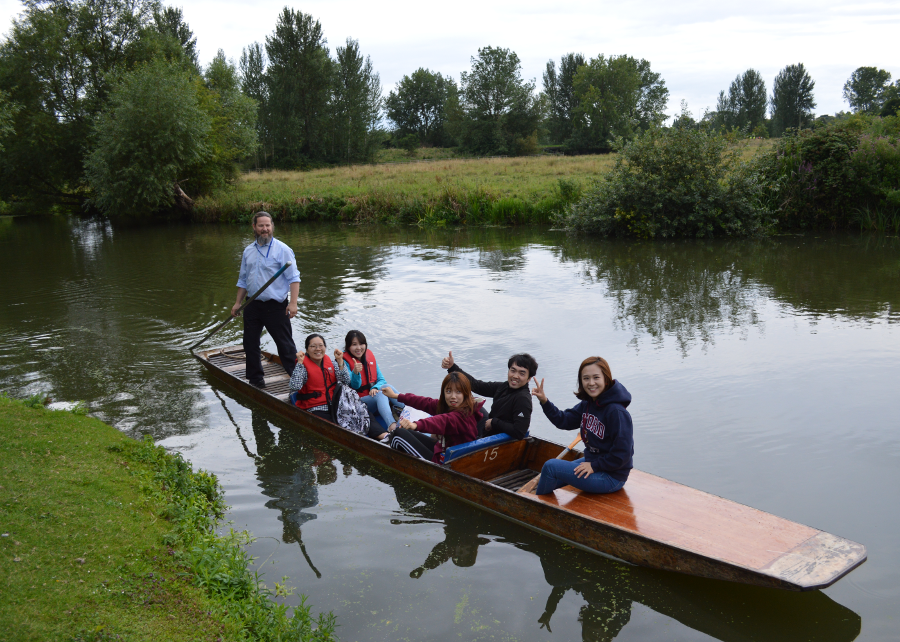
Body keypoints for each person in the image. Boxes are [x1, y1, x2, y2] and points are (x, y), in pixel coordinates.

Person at [530, 357, 633, 496]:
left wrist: (594, 466)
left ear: (606, 379)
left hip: (611, 476)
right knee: (550, 474)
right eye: (586, 378)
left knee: (550, 467)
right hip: (594, 461)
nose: (591, 383)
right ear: (581, 381)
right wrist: (544, 401)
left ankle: (535, 509)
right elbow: (564, 420)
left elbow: (623, 454)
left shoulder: (616, 412)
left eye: (596, 377)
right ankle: (541, 502)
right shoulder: (588, 403)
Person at [231, 211, 301, 388]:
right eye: (261, 225)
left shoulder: (283, 250)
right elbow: (243, 280)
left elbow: (294, 278)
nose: (265, 229)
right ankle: (256, 381)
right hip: (252, 305)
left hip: (276, 306)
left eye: (268, 225)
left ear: (272, 227)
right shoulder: (248, 251)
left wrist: (293, 303)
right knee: (250, 343)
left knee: (285, 346)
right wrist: (238, 303)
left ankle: (299, 382)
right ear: (254, 227)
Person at [381, 372, 483, 463]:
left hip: (449, 464)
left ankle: (393, 465)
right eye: (448, 391)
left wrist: (415, 425)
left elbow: (440, 421)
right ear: (443, 392)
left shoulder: (462, 416)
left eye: (458, 392)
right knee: (403, 432)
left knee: (398, 435)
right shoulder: (450, 406)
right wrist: (397, 396)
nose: (453, 396)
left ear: (466, 394)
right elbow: (426, 402)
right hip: (443, 451)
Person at [441, 350, 536, 439]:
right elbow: (476, 385)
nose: (515, 376)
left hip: (493, 440)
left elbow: (520, 432)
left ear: (529, 378)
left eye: (522, 373)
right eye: (513, 370)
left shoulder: (523, 399)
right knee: (468, 404)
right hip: (488, 428)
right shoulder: (503, 387)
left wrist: (494, 422)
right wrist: (452, 367)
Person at [342, 330, 404, 441]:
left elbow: (381, 379)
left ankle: (409, 409)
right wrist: (355, 372)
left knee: (386, 386)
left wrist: (374, 387)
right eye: (354, 344)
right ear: (348, 346)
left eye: (361, 344)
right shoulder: (344, 362)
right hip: (359, 403)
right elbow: (354, 386)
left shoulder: (369, 356)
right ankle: (392, 426)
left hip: (372, 396)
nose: (359, 348)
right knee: (380, 395)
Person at [289, 334, 352, 421]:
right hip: (315, 407)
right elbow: (295, 386)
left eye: (321, 346)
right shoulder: (303, 366)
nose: (318, 349)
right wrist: (299, 363)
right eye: (313, 346)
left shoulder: (332, 363)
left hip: (335, 403)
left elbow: (346, 381)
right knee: (335, 425)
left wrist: (340, 361)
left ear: (325, 347)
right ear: (307, 349)